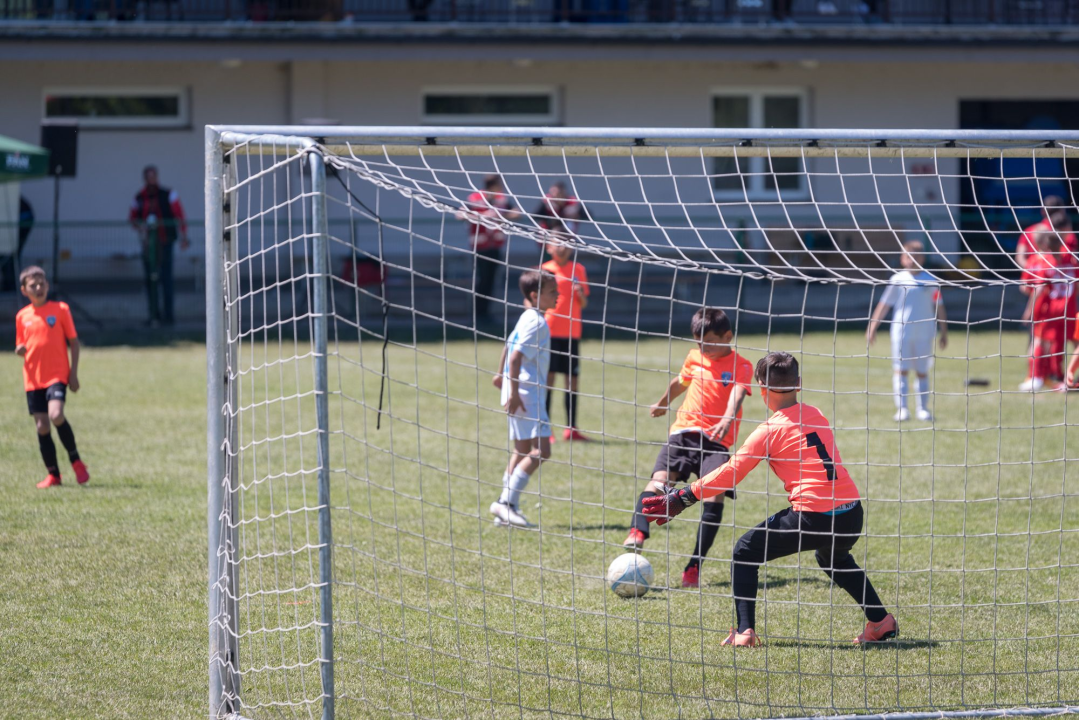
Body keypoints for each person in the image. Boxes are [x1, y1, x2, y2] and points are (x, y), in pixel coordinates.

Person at [642, 351, 897, 647]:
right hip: (852, 512)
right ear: (799, 383)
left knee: (744, 552)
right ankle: (880, 621)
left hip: (813, 516)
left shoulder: (768, 430)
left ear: (760, 386)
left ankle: (745, 632)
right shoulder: (817, 414)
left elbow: (731, 473)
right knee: (833, 558)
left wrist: (684, 495)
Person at [624, 307, 752, 589]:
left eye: (708, 343)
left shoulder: (742, 365)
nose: (701, 348)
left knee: (714, 495)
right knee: (659, 482)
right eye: (698, 343)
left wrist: (728, 419)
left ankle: (693, 568)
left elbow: (738, 393)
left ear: (727, 336)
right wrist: (662, 402)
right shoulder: (695, 357)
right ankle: (638, 531)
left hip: (717, 440)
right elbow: (680, 382)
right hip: (684, 432)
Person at [489, 270, 559, 528]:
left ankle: (506, 509)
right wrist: (516, 392)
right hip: (527, 392)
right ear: (535, 294)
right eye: (553, 292)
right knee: (542, 451)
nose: (558, 296)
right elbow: (516, 356)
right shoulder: (538, 322)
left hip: (517, 387)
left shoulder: (527, 316)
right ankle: (505, 503)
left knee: (521, 450)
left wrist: (500, 375)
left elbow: (509, 345)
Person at [15, 266, 89, 489]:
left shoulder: (60, 309)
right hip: (33, 379)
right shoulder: (22, 316)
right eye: (32, 285)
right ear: (24, 290)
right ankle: (53, 475)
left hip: (57, 375)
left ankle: (75, 460)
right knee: (42, 426)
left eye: (41, 284)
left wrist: (73, 373)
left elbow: (74, 342)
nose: (38, 288)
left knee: (56, 414)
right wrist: (20, 349)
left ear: (47, 286)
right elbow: (22, 343)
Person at [866, 240, 948, 422]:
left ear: (923, 258)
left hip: (925, 334)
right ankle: (902, 409)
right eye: (908, 257)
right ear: (903, 259)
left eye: (916, 256)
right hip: (901, 333)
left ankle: (922, 409)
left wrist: (944, 331)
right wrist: (872, 327)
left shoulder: (931, 280)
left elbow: (939, 306)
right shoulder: (897, 279)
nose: (912, 260)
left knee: (922, 371)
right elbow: (884, 304)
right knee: (901, 370)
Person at [542, 240, 591, 441]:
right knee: (549, 380)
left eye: (566, 244)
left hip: (572, 333)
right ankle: (546, 428)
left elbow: (584, 302)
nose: (562, 248)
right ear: (548, 247)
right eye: (557, 244)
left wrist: (580, 295)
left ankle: (571, 429)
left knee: (572, 380)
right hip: (550, 333)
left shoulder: (578, 269)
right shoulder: (544, 270)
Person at [129, 165, 189, 326]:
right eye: (148, 177)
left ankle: (169, 317)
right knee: (150, 280)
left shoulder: (169, 194)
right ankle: (153, 315)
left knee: (166, 279)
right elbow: (133, 218)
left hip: (166, 242)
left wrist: (184, 236)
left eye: (153, 176)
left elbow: (179, 215)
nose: (151, 180)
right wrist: (140, 226)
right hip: (149, 245)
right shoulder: (139, 197)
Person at [457, 174, 520, 324]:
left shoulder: (501, 199)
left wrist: (502, 215)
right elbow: (459, 214)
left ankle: (486, 314)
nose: (502, 186)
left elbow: (517, 212)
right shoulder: (474, 198)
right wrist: (483, 215)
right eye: (500, 183)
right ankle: (477, 314)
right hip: (480, 247)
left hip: (496, 245)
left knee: (491, 281)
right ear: (492, 184)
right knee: (481, 280)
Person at [1022, 231, 1077, 391]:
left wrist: (1029, 311)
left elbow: (1037, 288)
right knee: (1070, 345)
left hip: (1052, 310)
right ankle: (1060, 376)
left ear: (1045, 246)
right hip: (1070, 310)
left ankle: (1037, 377)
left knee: (1040, 342)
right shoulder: (1072, 260)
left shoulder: (1045, 262)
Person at [1016, 196, 1075, 270]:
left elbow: (1020, 257)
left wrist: (1033, 271)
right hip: (1062, 276)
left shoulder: (1030, 230)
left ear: (1042, 211)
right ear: (1062, 211)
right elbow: (1073, 256)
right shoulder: (1066, 231)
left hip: (1034, 278)